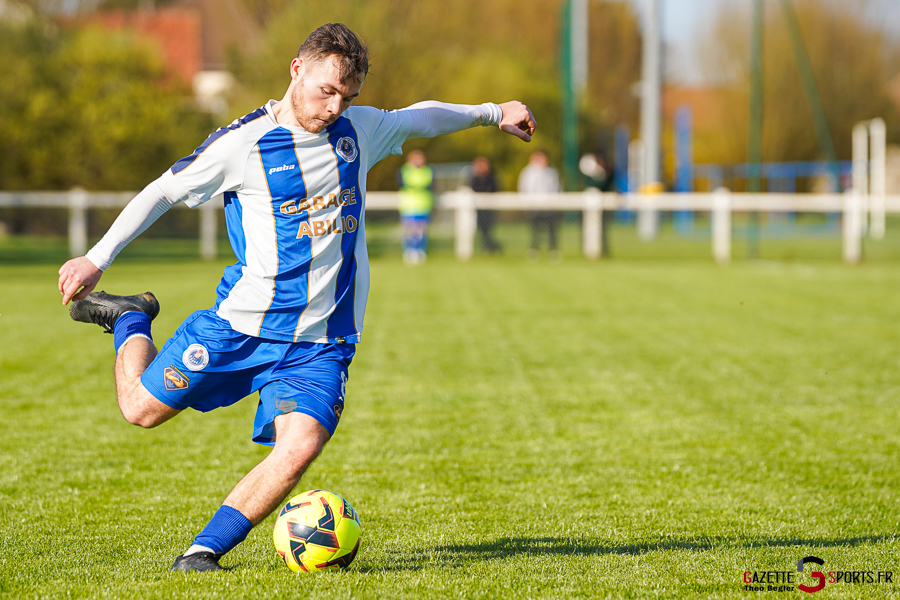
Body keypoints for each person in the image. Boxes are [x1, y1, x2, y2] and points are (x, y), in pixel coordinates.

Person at [56, 22, 536, 573]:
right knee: (139, 410)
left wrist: (493, 112)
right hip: (241, 327)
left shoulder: (358, 129)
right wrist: (98, 258)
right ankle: (131, 319)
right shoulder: (244, 145)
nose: (335, 107)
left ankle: (202, 554)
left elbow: (419, 117)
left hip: (322, 342)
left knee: (300, 445)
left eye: (347, 96)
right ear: (296, 70)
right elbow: (164, 190)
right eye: (326, 91)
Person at [517, 151, 561, 259]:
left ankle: (553, 250)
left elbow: (556, 187)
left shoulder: (551, 172)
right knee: (535, 229)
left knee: (552, 229)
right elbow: (524, 187)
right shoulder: (528, 172)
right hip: (534, 206)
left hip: (549, 205)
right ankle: (534, 250)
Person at [397, 149, 433, 264]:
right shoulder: (405, 170)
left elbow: (426, 183)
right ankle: (409, 251)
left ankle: (420, 250)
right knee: (410, 231)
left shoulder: (427, 171)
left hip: (423, 205)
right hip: (409, 206)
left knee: (422, 231)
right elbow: (408, 183)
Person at [469, 156, 502, 254]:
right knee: (482, 230)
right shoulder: (474, 178)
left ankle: (491, 248)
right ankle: (488, 247)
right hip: (479, 209)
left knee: (488, 230)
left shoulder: (491, 177)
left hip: (489, 208)